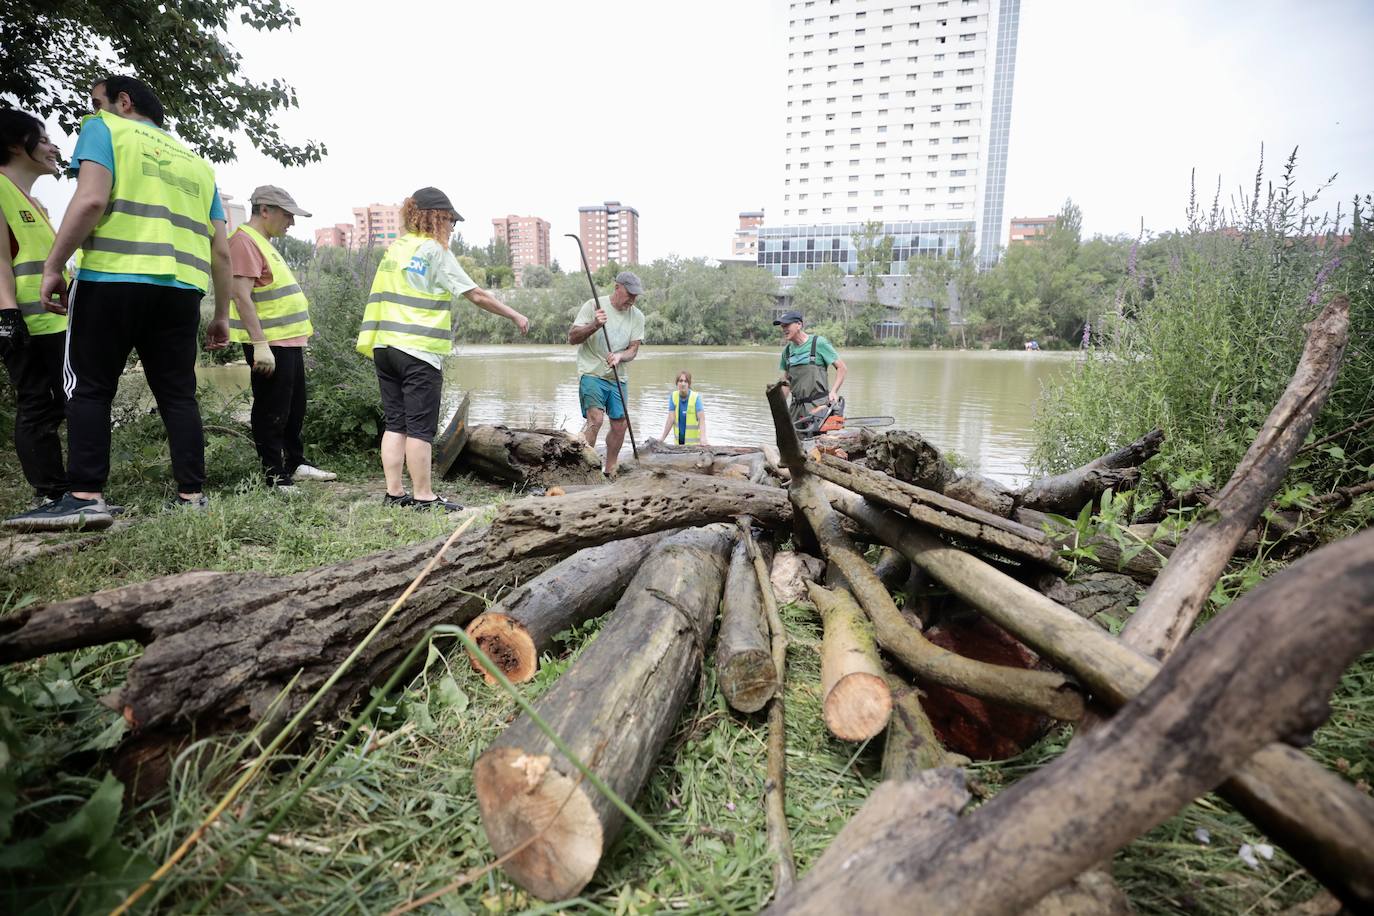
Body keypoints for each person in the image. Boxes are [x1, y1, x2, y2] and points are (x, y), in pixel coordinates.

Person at [10, 75, 232, 532]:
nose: (94, 108)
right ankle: (192, 496)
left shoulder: (105, 128)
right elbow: (222, 251)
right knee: (178, 393)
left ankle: (86, 497)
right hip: (182, 289)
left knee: (89, 387)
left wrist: (54, 266)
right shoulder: (198, 164)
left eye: (98, 101)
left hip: (112, 278)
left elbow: (90, 199)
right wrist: (223, 314)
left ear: (123, 101)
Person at [356, 187, 528, 511]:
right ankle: (424, 497)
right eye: (450, 221)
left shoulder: (397, 248)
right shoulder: (435, 251)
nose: (451, 228)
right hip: (418, 350)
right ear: (437, 217)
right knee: (420, 428)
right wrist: (515, 314)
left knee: (396, 423)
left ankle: (394, 494)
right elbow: (475, 294)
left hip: (384, 346)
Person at [228, 185, 335, 491]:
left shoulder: (264, 242)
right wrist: (259, 344)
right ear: (265, 211)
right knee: (271, 408)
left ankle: (296, 463)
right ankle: (275, 475)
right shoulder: (244, 242)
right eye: (287, 215)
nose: (291, 222)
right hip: (269, 343)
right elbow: (241, 295)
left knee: (294, 405)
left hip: (287, 341)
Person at [0, 111, 70, 528]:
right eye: (42, 139)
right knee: (35, 404)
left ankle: (70, 491)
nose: (52, 147)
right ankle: (50, 495)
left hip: (53, 319)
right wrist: (7, 316)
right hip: (24, 320)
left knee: (69, 401)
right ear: (14, 144)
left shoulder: (33, 202)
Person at [568, 270, 645, 477]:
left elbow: (633, 349)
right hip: (591, 372)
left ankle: (610, 470)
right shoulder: (594, 306)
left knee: (620, 425)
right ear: (617, 288)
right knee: (596, 419)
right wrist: (595, 325)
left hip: (617, 376)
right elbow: (572, 337)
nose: (633, 299)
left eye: (636, 295)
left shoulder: (637, 316)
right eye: (630, 294)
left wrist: (620, 356)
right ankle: (584, 469)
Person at [774, 309, 847, 425]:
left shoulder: (818, 343)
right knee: (793, 442)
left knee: (820, 442)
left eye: (787, 325)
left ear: (799, 325)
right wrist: (779, 406)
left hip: (819, 407)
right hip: (795, 409)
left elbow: (842, 368)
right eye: (782, 326)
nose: (784, 329)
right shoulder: (786, 352)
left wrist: (833, 391)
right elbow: (786, 382)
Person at [659, 369, 708, 446]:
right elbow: (670, 419)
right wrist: (662, 439)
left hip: (694, 446)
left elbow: (701, 419)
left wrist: (703, 438)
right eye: (680, 381)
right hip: (678, 446)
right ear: (677, 383)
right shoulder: (673, 396)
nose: (683, 384)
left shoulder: (696, 397)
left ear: (689, 384)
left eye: (686, 381)